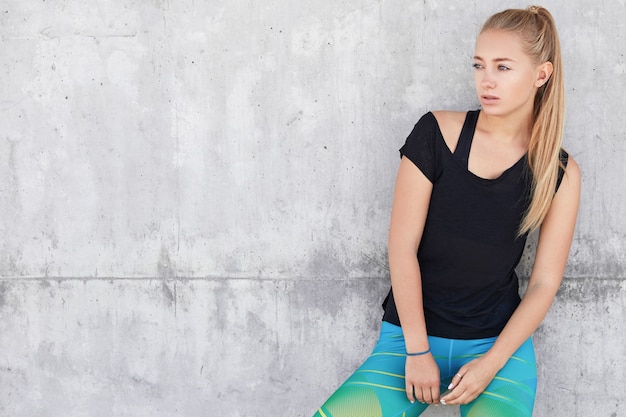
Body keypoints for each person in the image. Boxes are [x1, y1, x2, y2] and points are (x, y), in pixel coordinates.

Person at [312, 5, 580, 417]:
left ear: (540, 75)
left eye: (503, 67)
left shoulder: (558, 171)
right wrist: (417, 351)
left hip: (497, 349)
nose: (486, 81)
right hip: (407, 342)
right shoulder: (435, 134)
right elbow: (401, 249)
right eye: (479, 65)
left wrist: (490, 365)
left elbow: (544, 282)